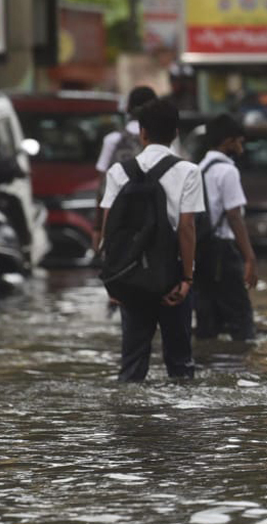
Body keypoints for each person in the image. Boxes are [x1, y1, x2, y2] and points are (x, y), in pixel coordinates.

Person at [100, 99, 204, 382]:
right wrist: (187, 279)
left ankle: (132, 425)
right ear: (176, 133)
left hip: (131, 275)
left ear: (142, 132)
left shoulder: (118, 172)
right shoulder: (189, 172)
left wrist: (113, 279)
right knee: (180, 365)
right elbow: (186, 227)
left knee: (132, 365)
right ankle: (182, 424)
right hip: (171, 276)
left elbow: (109, 228)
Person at [194, 114, 259, 342]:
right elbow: (234, 216)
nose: (241, 147)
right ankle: (241, 370)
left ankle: (207, 366)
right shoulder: (228, 171)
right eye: (239, 141)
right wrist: (249, 258)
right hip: (223, 252)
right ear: (228, 141)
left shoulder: (199, 168)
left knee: (207, 319)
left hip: (201, 251)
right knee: (241, 318)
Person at [94, 86, 158, 250]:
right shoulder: (161, 140)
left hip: (119, 219)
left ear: (128, 108)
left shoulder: (113, 140)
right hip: (154, 220)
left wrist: (98, 228)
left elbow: (102, 188)